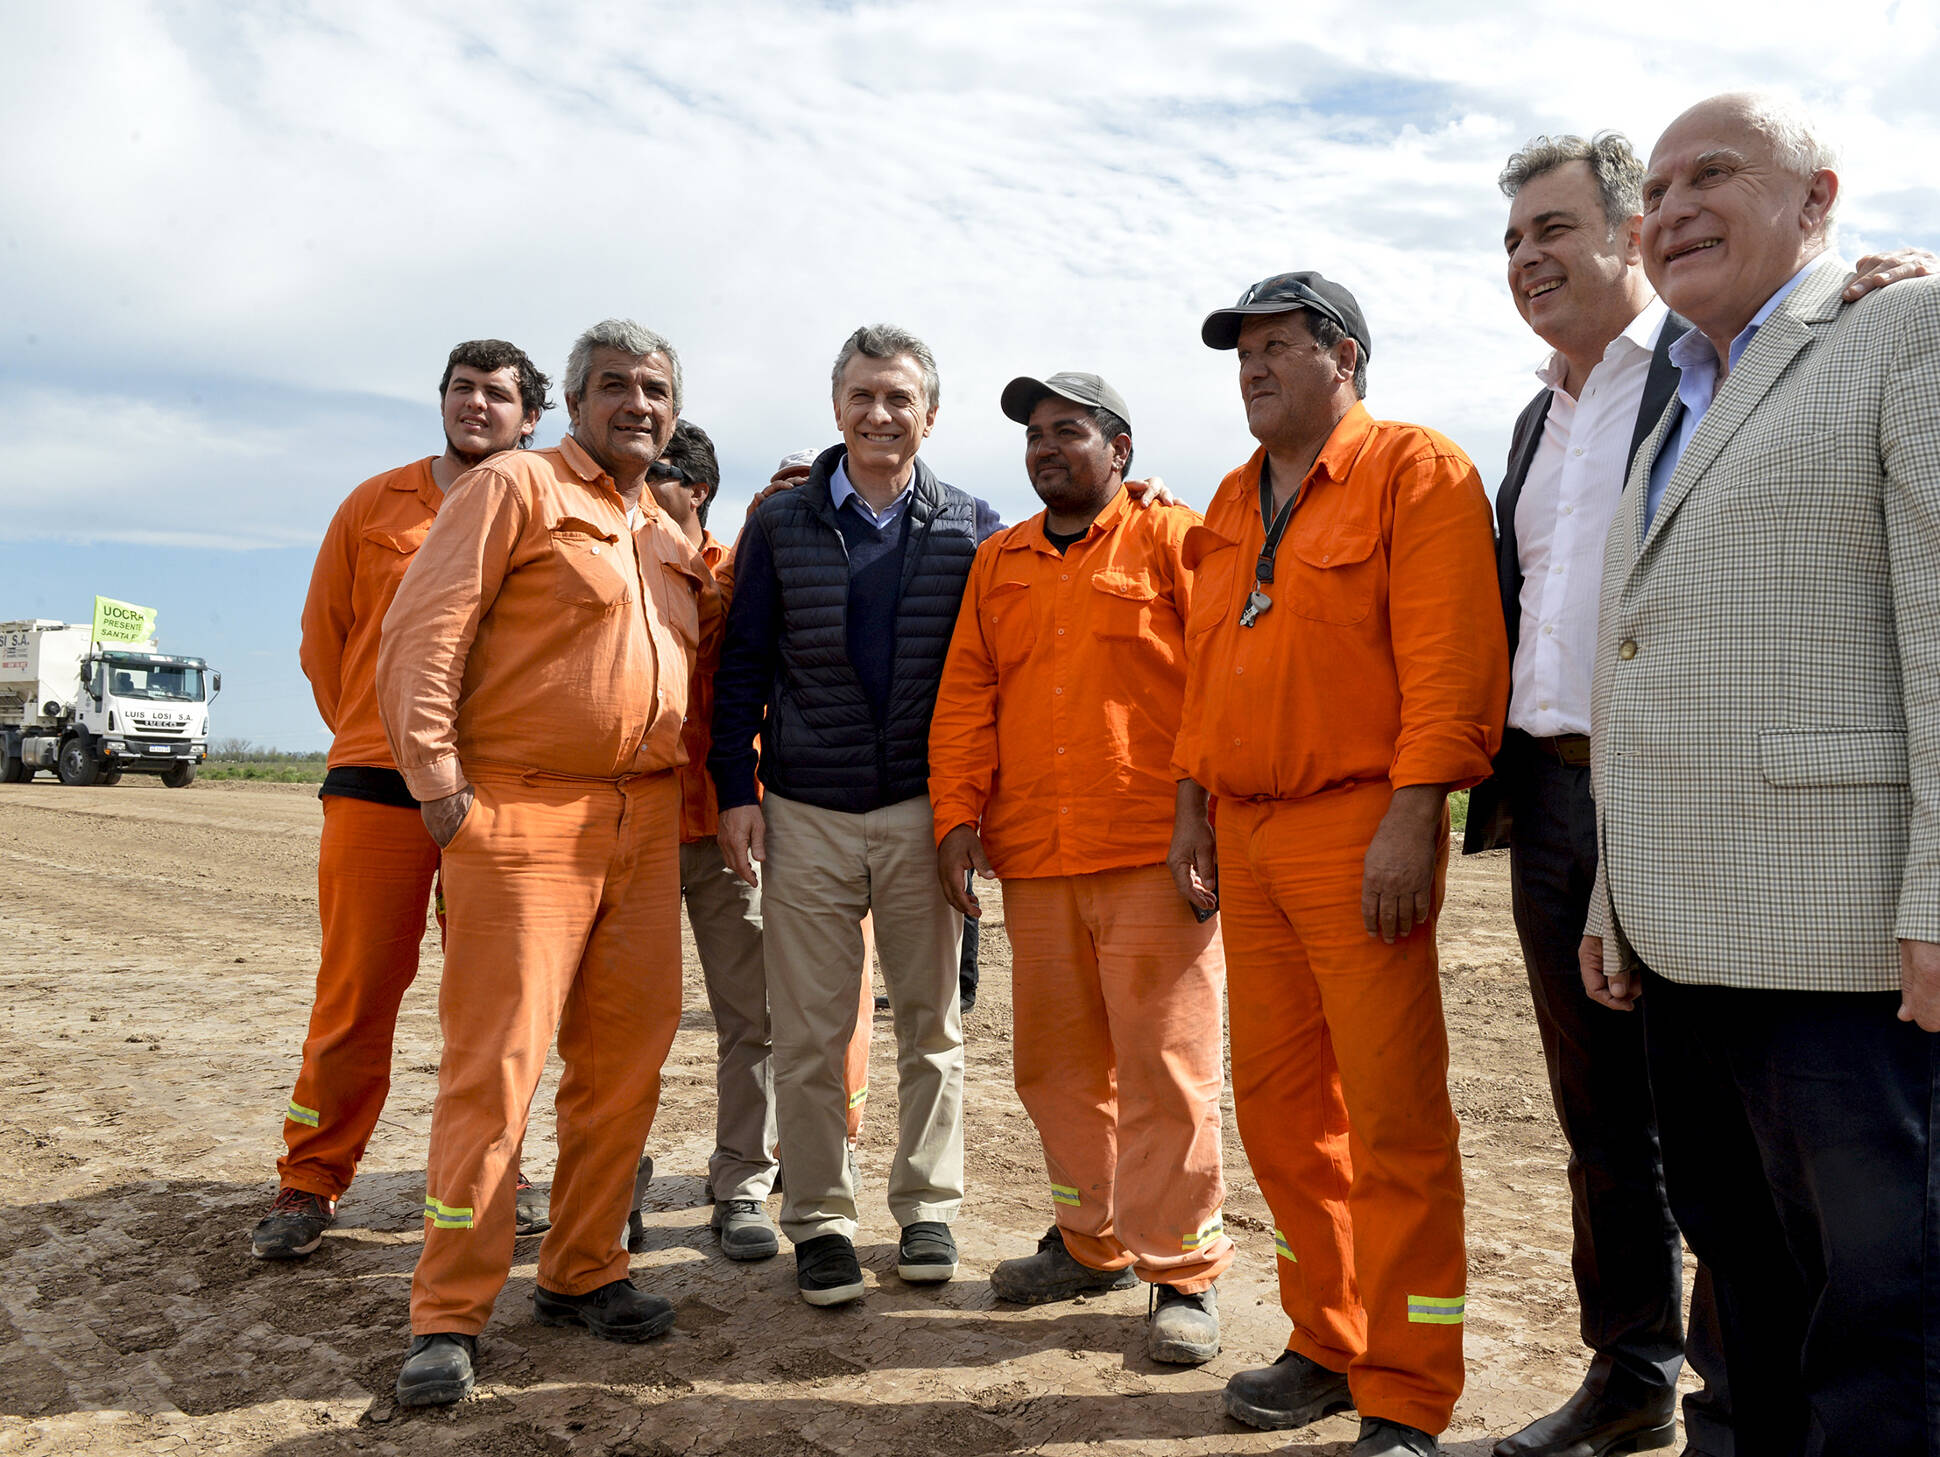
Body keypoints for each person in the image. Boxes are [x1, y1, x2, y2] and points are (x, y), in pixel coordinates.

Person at [1580, 92, 1940, 1457]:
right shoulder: (1679, 398)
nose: (1669, 208)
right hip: (1686, 946)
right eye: (1654, 190)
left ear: (1818, 196)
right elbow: (1643, 665)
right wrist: (1613, 895)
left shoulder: (1901, 330)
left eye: (1711, 174)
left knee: (1884, 1322)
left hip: (1848, 952)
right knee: (1748, 1293)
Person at [1171, 273, 1508, 1457]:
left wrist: (1415, 814)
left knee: (1390, 1119)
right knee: (1279, 1113)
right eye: (1242, 353)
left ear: (1344, 357)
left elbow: (1451, 656)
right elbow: (1202, 667)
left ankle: (1406, 1389)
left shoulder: (1415, 469)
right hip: (1245, 830)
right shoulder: (1229, 496)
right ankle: (1326, 1333)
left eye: (1276, 346)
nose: (1253, 368)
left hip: (1360, 825)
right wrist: (1189, 804)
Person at [375, 318, 716, 1406]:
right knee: (497, 1071)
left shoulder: (662, 528)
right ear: (573, 404)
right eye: (613, 385)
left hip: (643, 820)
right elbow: (421, 634)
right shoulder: (514, 487)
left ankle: (583, 1267)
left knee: (626, 1060)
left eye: (654, 389)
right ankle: (447, 1309)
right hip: (520, 812)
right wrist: (441, 789)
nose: (637, 403)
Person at [929, 371, 1230, 1363]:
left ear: (1120, 449)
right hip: (1038, 855)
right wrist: (955, 814)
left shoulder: (1175, 538)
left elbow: (1218, 682)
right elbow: (967, 692)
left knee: (1165, 1071)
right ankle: (1089, 1241)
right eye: (1033, 436)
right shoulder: (999, 560)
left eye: (1068, 431)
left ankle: (1181, 1270)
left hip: (1153, 853)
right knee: (1056, 1070)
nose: (1046, 449)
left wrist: (1201, 817)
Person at [710, 324, 1001, 1307]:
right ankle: (821, 1220)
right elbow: (742, 663)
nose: (880, 414)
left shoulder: (972, 526)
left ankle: (926, 1208)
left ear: (930, 414)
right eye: (862, 396)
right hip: (805, 810)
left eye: (898, 397)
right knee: (808, 1032)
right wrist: (735, 791)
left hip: (923, 814)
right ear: (836, 407)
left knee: (931, 1025)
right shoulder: (780, 524)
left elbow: (1016, 639)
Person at [254, 340, 551, 1263]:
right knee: (354, 991)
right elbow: (325, 640)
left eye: (497, 394)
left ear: (531, 418)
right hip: (377, 786)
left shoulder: (544, 505)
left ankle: (497, 1173)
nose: (476, 405)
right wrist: (376, 729)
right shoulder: (373, 504)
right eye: (462, 389)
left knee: (495, 1005)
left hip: (496, 791)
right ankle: (309, 1178)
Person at [625, 428, 875, 1261]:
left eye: (656, 471)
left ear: (696, 488)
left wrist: (788, 509)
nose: (635, 481)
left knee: (754, 1019)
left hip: (730, 826)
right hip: (635, 824)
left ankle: (740, 1183)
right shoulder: (613, 561)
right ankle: (613, 1182)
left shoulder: (742, 568)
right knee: (625, 1020)